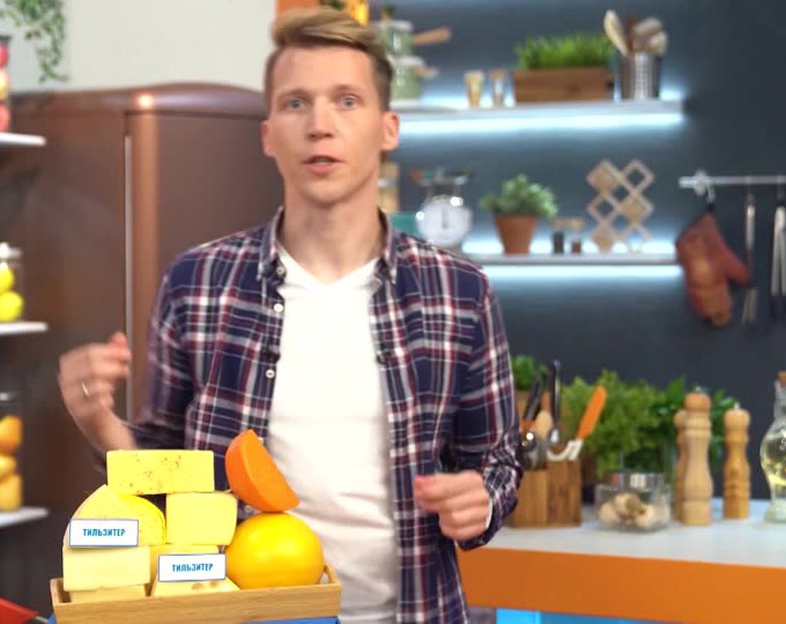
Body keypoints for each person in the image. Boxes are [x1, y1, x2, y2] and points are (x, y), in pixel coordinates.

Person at [57, 7, 521, 622]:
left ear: (388, 128)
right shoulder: (198, 283)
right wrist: (100, 424)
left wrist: (482, 499)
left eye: (347, 101)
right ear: (268, 134)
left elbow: (498, 462)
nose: (320, 125)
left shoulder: (459, 292)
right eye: (296, 103)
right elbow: (163, 480)